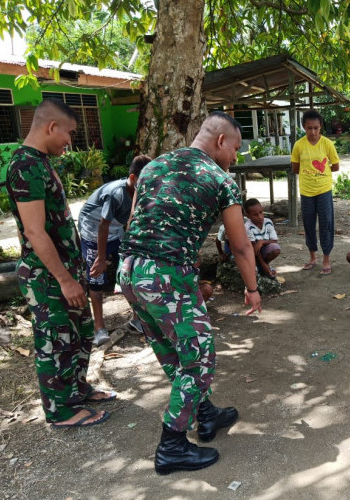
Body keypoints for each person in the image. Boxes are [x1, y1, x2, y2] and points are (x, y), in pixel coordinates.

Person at [118, 111, 262, 475]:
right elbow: (241, 245)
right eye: (235, 148)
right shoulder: (219, 178)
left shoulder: (154, 166)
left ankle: (206, 414)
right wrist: (252, 288)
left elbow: (134, 221)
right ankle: (172, 447)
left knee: (172, 352)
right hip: (167, 274)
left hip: (131, 271)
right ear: (220, 141)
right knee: (199, 360)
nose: (234, 157)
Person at [5, 99, 112, 429]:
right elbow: (35, 232)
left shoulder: (40, 161)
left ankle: (77, 391)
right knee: (55, 341)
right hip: (47, 275)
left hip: (66, 269)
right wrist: (64, 279)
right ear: (52, 127)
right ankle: (61, 410)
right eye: (69, 133)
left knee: (77, 334)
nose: (71, 141)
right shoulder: (24, 165)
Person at [78, 154, 151, 346]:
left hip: (116, 231)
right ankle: (99, 328)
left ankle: (137, 319)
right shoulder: (116, 193)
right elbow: (103, 226)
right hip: (93, 232)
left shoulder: (138, 192)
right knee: (96, 278)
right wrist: (101, 258)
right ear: (134, 178)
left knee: (130, 270)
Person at [291, 109, 340, 275]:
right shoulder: (299, 145)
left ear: (321, 127)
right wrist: (310, 174)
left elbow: (335, 165)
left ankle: (326, 257)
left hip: (324, 190)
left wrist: (321, 174)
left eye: (316, 128)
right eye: (309, 128)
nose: (313, 131)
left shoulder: (327, 144)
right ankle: (312, 257)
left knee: (326, 223)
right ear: (304, 127)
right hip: (306, 191)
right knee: (309, 224)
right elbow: (295, 168)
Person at [243, 198, 281, 278]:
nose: (260, 217)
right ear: (248, 216)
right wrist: (263, 265)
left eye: (261, 212)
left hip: (264, 250)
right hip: (253, 253)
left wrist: (262, 242)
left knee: (276, 248)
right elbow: (254, 248)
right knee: (254, 274)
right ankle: (260, 266)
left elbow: (274, 240)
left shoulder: (268, 222)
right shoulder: (248, 227)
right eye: (255, 215)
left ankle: (262, 266)